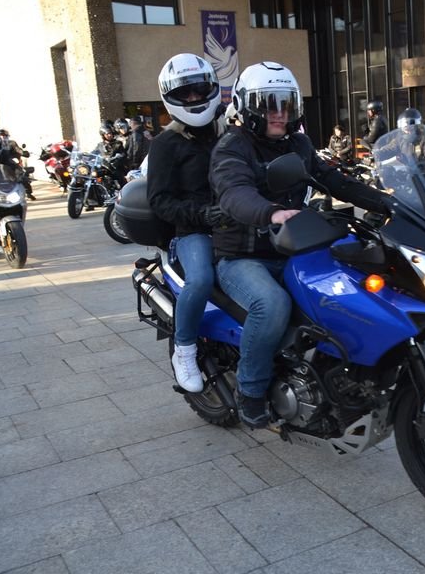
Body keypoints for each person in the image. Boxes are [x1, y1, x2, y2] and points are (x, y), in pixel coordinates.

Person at [209, 61, 391, 428]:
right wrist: (272, 213)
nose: (279, 113)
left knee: (351, 289)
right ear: (246, 106)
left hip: (295, 247)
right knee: (271, 304)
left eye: (286, 104)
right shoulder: (232, 147)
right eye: (269, 105)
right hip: (243, 255)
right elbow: (234, 193)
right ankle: (251, 390)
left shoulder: (299, 144)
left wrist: (391, 202)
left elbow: (335, 181)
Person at [147, 53, 226, 393]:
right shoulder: (166, 143)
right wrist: (201, 215)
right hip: (192, 232)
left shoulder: (228, 132)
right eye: (184, 93)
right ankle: (185, 350)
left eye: (199, 89)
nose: (194, 97)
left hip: (237, 224)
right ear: (171, 97)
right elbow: (159, 200)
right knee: (202, 279)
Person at [0, 128, 35, 200]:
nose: (2, 137)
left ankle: (28, 193)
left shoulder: (12, 143)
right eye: (0, 135)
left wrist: (23, 153)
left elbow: (18, 149)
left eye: (4, 135)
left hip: (12, 163)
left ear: (7, 136)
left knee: (21, 176)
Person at [95, 122, 128, 189]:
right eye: (107, 134)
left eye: (110, 133)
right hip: (104, 167)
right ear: (103, 135)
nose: (110, 135)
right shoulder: (100, 145)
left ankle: (121, 191)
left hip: (114, 168)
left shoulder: (117, 143)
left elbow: (123, 154)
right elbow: (94, 153)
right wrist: (86, 156)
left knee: (120, 179)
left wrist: (116, 158)